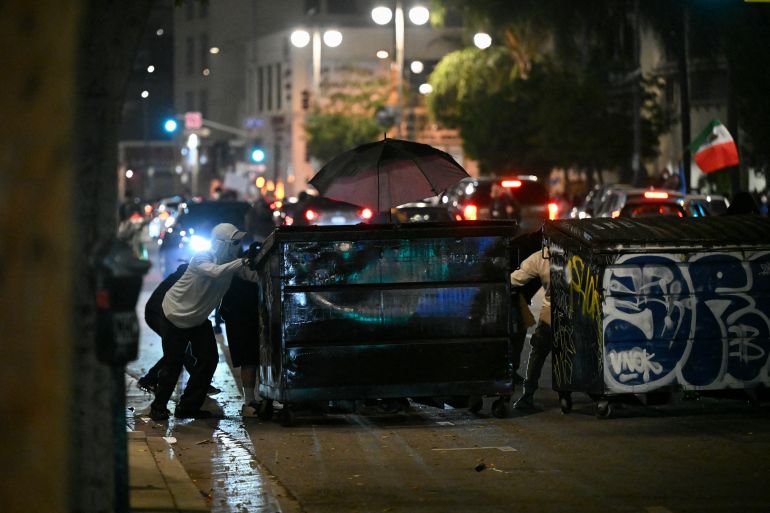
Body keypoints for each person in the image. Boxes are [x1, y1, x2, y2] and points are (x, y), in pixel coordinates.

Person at [149, 223, 258, 421]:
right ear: (220, 243)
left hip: (198, 319)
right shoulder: (202, 257)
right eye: (234, 241)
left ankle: (189, 406)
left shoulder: (232, 263)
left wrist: (262, 260)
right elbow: (215, 271)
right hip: (174, 315)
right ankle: (158, 407)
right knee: (173, 364)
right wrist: (243, 261)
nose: (237, 245)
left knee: (209, 360)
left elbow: (252, 276)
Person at [510, 246, 553, 410]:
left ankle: (528, 395)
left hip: (552, 311)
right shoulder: (580, 253)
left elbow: (514, 279)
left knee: (538, 349)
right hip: (581, 310)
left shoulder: (542, 257)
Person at [220, 272, 262, 417]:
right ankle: (250, 402)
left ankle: (255, 400)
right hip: (243, 319)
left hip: (245, 318)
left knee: (254, 360)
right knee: (250, 360)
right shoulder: (239, 280)